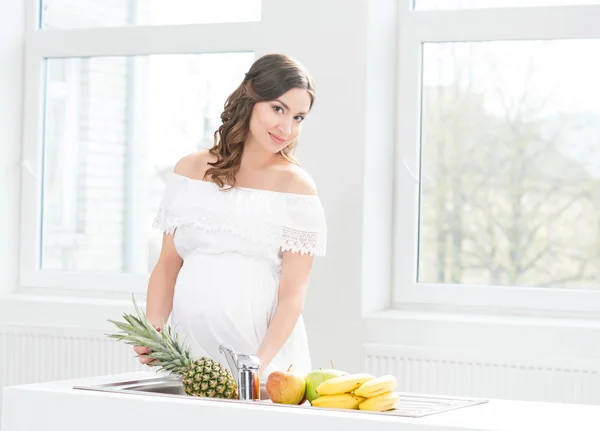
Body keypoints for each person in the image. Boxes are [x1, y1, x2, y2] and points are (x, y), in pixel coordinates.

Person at [134, 53, 327, 380]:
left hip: (262, 362)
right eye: (278, 109)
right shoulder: (189, 171)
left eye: (298, 117)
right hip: (189, 359)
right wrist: (154, 330)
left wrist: (257, 364)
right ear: (250, 99)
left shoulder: (296, 188)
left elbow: (293, 296)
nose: (286, 127)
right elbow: (168, 262)